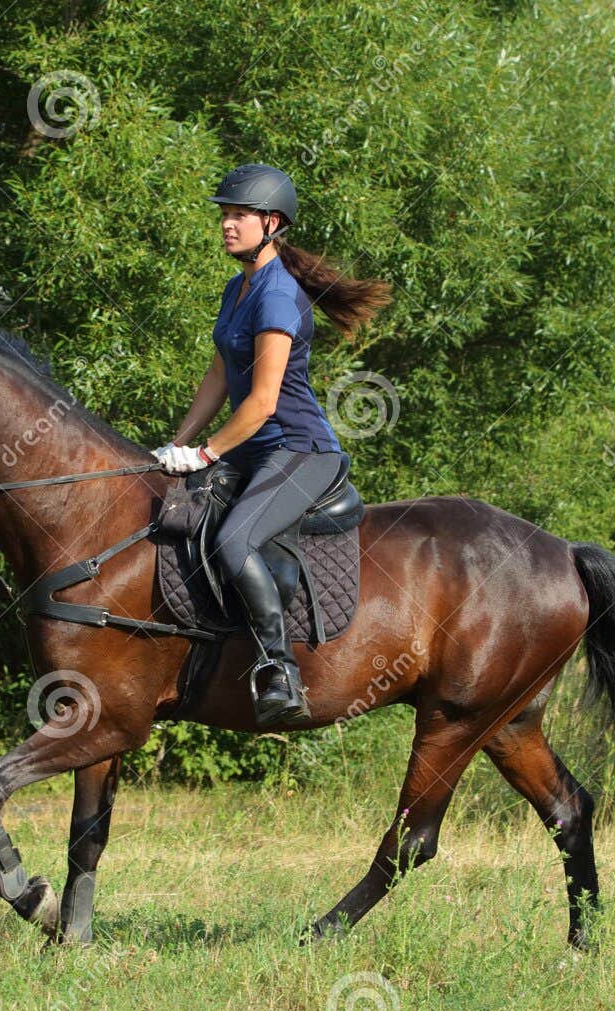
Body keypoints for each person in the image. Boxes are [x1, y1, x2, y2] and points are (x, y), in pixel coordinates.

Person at [154, 163, 391, 727]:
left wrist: (207, 453)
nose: (226, 225)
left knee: (235, 541)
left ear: (271, 222)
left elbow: (260, 404)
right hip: (254, 450)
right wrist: (176, 445)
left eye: (237, 215)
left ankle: (277, 668)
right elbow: (218, 376)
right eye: (224, 215)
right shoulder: (238, 288)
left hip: (299, 450)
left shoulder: (279, 295)